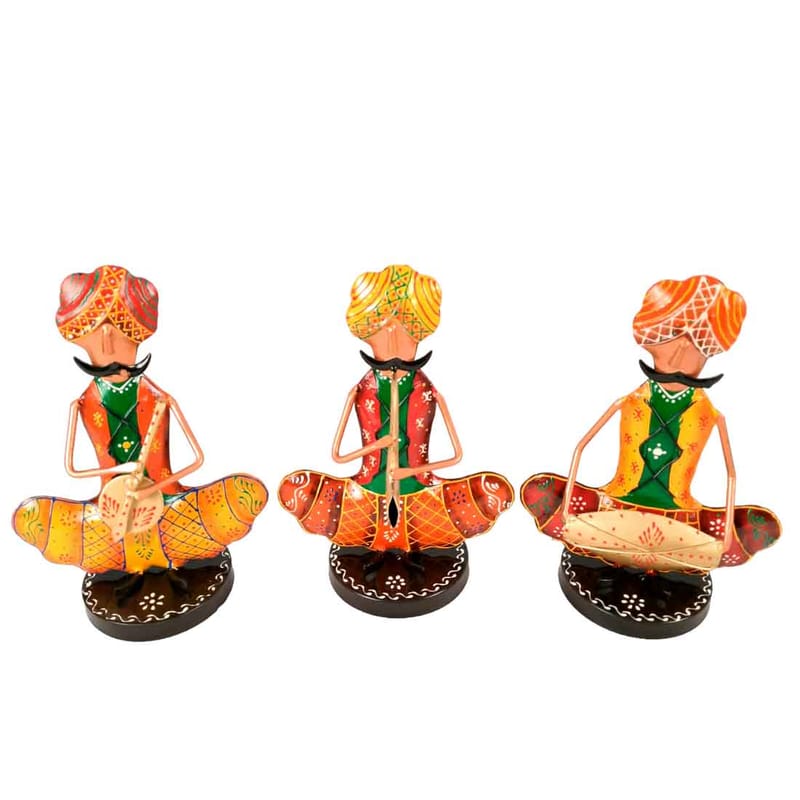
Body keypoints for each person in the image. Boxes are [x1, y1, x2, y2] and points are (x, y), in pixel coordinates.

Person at [13, 265, 268, 575]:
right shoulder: (84, 403)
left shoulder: (156, 397)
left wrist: (157, 487)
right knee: (40, 519)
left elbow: (197, 459)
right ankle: (138, 556)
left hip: (168, 503)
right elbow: (73, 469)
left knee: (241, 494)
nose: (106, 346)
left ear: (106, 336)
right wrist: (119, 473)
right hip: (114, 511)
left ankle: (152, 551)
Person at [522, 274, 780, 573]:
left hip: (679, 515)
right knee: (542, 491)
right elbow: (581, 448)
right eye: (665, 337)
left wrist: (723, 538)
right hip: (617, 500)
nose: (676, 350)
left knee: (753, 527)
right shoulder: (632, 401)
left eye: (697, 343)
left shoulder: (708, 414)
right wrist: (568, 506)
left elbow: (731, 474)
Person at [279, 264, 513, 552]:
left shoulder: (425, 390)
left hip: (419, 492)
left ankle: (416, 540)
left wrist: (412, 471)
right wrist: (377, 446)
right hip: (368, 490)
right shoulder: (363, 388)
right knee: (302, 490)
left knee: (488, 493)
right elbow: (337, 456)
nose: (391, 342)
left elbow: (456, 455)